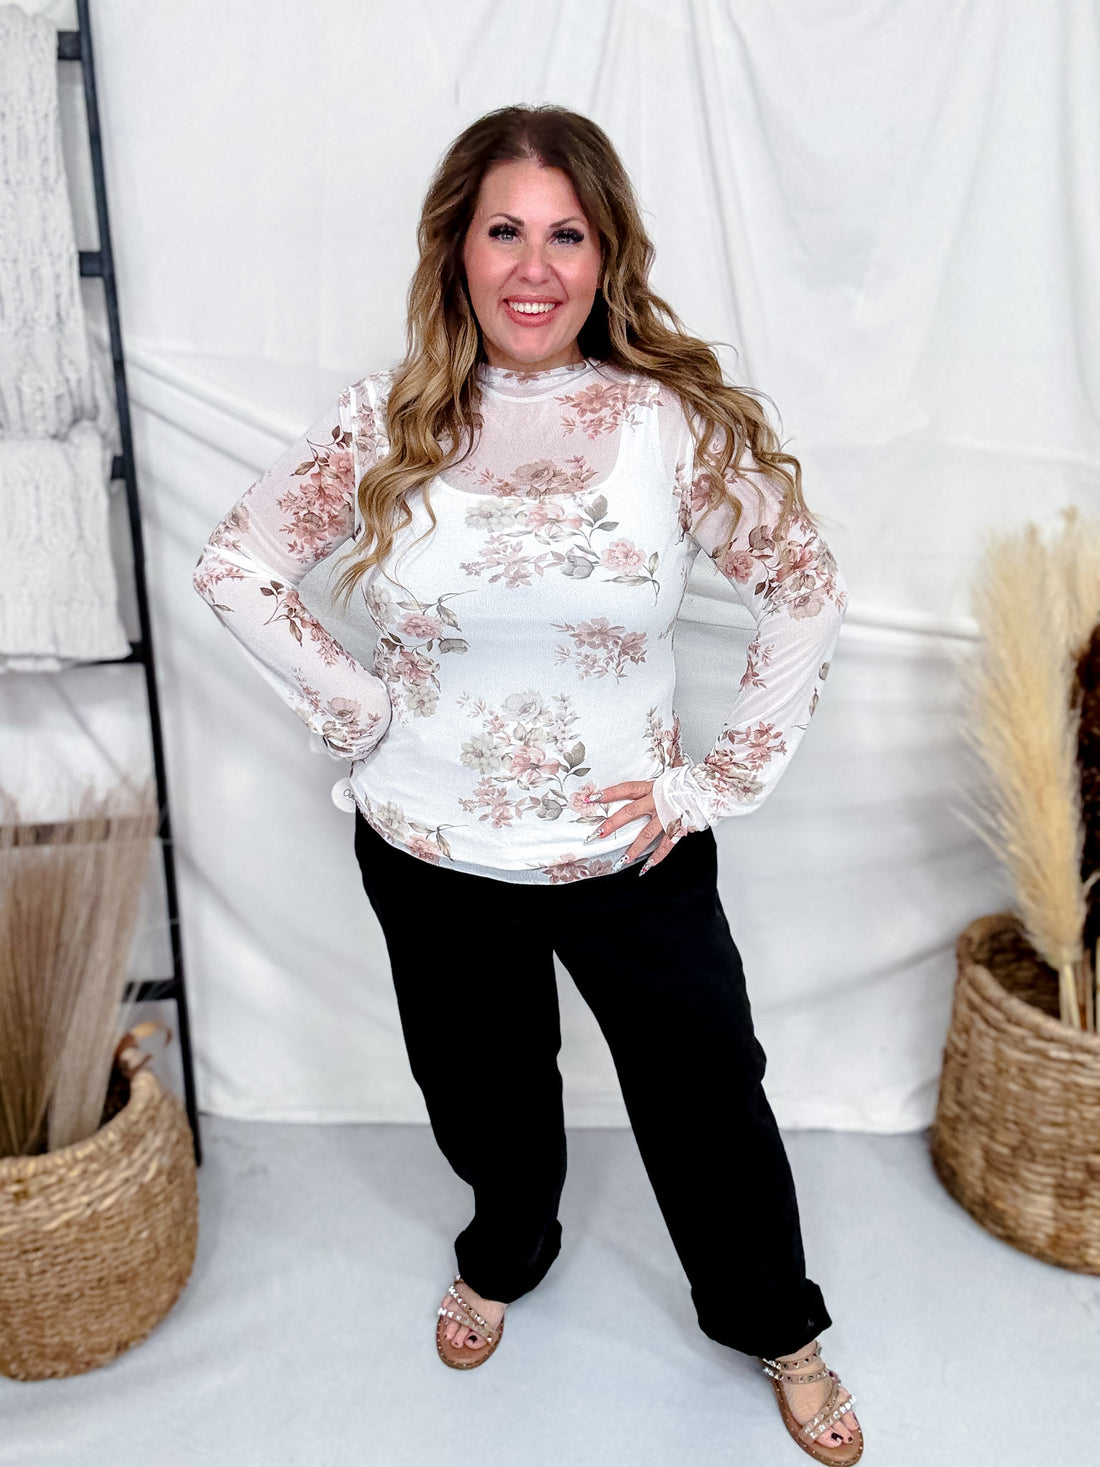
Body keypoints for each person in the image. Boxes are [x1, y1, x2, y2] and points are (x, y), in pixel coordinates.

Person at [192, 104, 861, 1463]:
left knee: (707, 1096)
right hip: (430, 855)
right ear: (458, 247)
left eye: (568, 233)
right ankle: (507, 1253)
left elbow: (804, 584)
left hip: (634, 857)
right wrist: (357, 702)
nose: (535, 265)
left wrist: (717, 780)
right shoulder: (385, 422)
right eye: (507, 230)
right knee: (486, 1099)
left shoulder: (670, 426)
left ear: (608, 257)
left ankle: (778, 1326)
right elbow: (240, 568)